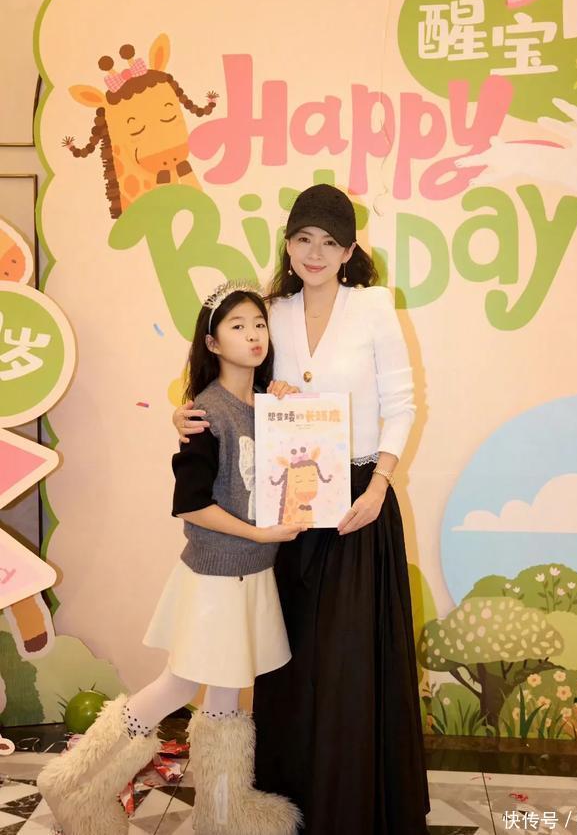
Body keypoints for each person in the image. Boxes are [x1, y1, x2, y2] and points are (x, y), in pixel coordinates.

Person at [176, 185, 430, 835]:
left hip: (359, 503)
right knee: (290, 659)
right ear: (288, 244)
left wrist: (379, 485)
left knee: (349, 662)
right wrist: (185, 413)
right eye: (303, 238)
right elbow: (234, 383)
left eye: (329, 241)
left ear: (349, 251)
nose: (315, 252)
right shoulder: (271, 312)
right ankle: (289, 808)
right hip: (286, 505)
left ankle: (354, 810)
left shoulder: (373, 306)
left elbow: (402, 405)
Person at [38, 283, 304, 835]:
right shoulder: (206, 413)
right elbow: (191, 504)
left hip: (250, 572)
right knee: (180, 686)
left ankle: (223, 812)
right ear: (212, 343)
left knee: (226, 697)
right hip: (217, 577)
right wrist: (260, 533)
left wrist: (288, 403)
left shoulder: (267, 406)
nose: (254, 335)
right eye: (237, 326)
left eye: (259, 324)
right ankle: (73, 785)